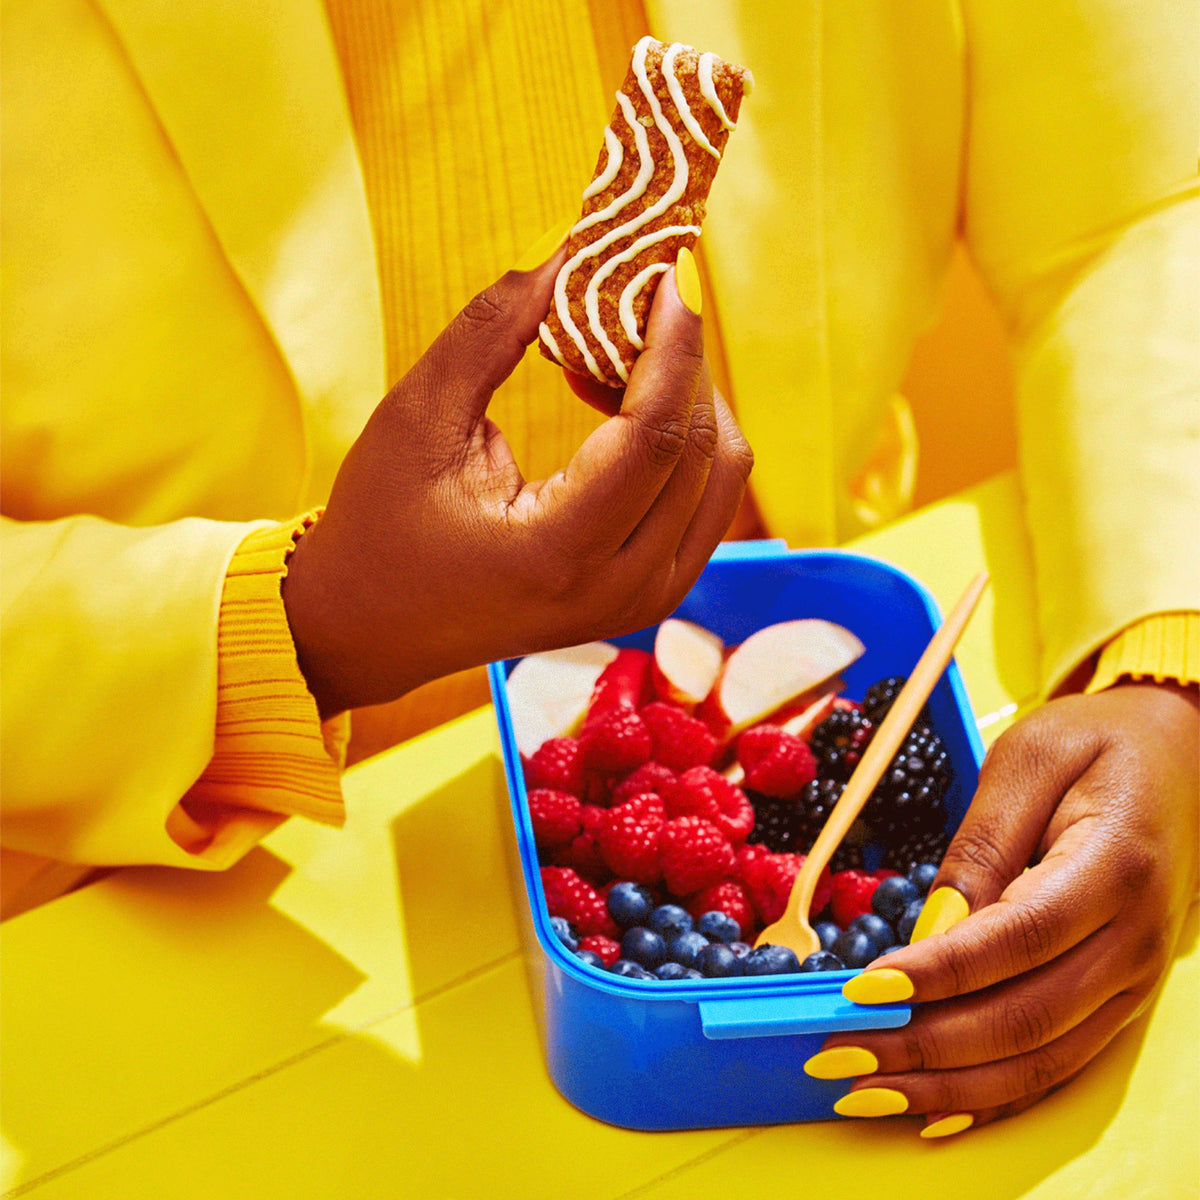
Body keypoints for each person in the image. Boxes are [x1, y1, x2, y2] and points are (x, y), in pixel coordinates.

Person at [1, 0, 1195, 1136]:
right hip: (176, 920)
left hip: (785, 733)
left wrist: (1167, 662)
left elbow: (1144, 192)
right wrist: (301, 630)